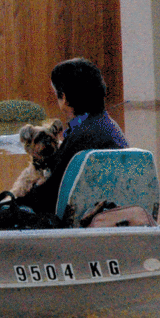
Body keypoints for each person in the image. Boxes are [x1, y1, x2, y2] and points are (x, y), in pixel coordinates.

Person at [16, 57, 128, 217]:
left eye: (56, 95)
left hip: (79, 221)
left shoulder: (80, 138)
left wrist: (17, 199)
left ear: (65, 98)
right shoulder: (111, 128)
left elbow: (48, 196)